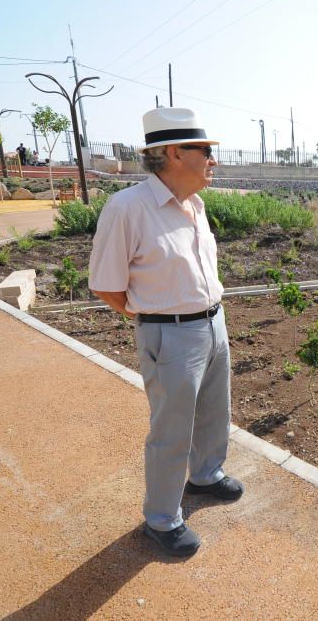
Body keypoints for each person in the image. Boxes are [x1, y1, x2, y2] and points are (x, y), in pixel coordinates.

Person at [88, 107, 240, 557]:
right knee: (171, 429)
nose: (213, 160)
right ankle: (161, 519)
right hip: (170, 334)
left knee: (215, 411)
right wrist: (155, 319)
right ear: (174, 153)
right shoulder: (128, 209)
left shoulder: (195, 204)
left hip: (213, 323)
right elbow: (106, 285)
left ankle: (206, 475)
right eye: (205, 151)